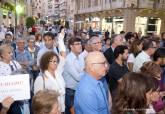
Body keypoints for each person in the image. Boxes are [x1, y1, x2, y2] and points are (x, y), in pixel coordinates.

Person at [62, 37, 84, 114]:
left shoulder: (81, 57)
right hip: (70, 92)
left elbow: (82, 73)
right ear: (71, 46)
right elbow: (78, 77)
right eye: (77, 44)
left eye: (80, 43)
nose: (80, 45)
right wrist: (86, 71)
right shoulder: (68, 59)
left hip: (79, 90)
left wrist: (84, 71)